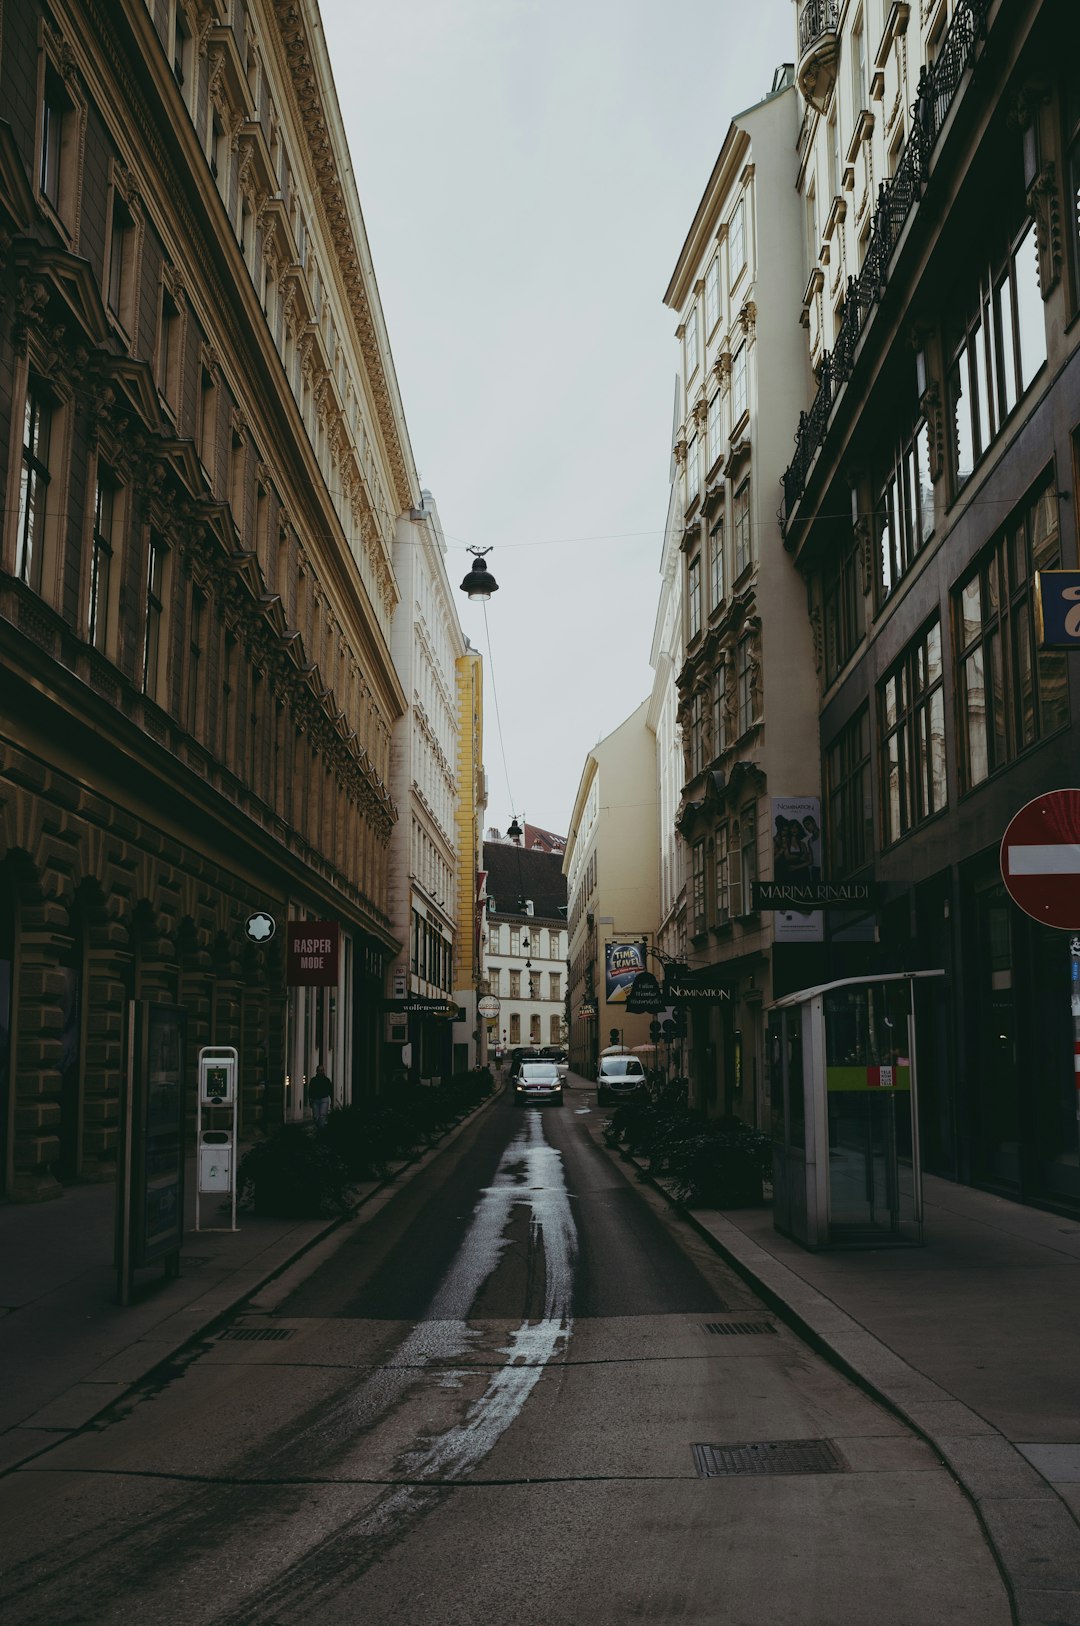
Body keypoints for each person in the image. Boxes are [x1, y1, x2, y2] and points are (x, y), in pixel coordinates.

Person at [307, 1061, 333, 1125]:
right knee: (316, 1117)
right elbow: (310, 1090)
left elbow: (330, 1090)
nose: (320, 1072)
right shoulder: (313, 1080)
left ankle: (321, 1131)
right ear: (317, 1071)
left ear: (323, 1071)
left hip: (324, 1099)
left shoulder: (326, 1080)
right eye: (319, 1070)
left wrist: (332, 1100)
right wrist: (310, 1099)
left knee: (322, 1116)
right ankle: (319, 1129)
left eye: (321, 1070)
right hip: (315, 1100)